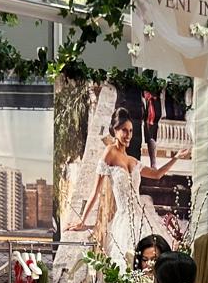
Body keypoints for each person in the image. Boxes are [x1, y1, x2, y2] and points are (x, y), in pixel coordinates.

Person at [69, 106, 183, 265]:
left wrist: (175, 158)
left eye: (130, 131)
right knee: (128, 263)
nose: (128, 135)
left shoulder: (133, 161)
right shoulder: (110, 152)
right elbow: (95, 192)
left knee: (151, 260)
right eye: (124, 130)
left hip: (142, 217)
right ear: (115, 130)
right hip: (124, 221)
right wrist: (82, 221)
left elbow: (157, 174)